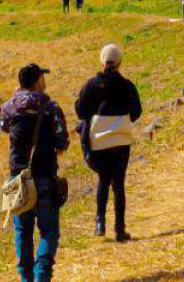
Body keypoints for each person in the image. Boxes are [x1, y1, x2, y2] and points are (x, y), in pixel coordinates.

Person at [1, 63, 69, 282]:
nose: (45, 81)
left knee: (22, 232)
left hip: (18, 178)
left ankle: (25, 278)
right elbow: (62, 143)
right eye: (43, 77)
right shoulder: (50, 107)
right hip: (45, 176)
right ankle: (42, 277)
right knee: (49, 232)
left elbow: (4, 126)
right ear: (38, 80)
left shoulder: (10, 107)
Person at [75, 44, 142, 241]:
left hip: (98, 138)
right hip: (120, 138)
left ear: (101, 61)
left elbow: (81, 111)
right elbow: (136, 112)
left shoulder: (91, 85)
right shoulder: (126, 85)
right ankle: (119, 229)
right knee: (119, 183)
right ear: (120, 63)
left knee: (103, 180)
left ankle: (99, 224)